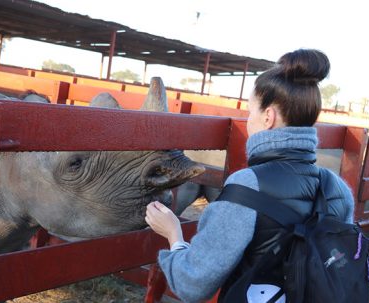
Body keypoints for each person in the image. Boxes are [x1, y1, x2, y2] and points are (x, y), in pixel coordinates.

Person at [145, 49, 354, 303]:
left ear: (268, 117)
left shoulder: (247, 184)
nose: (247, 121)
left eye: (249, 112)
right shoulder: (337, 188)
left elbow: (193, 284)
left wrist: (174, 235)